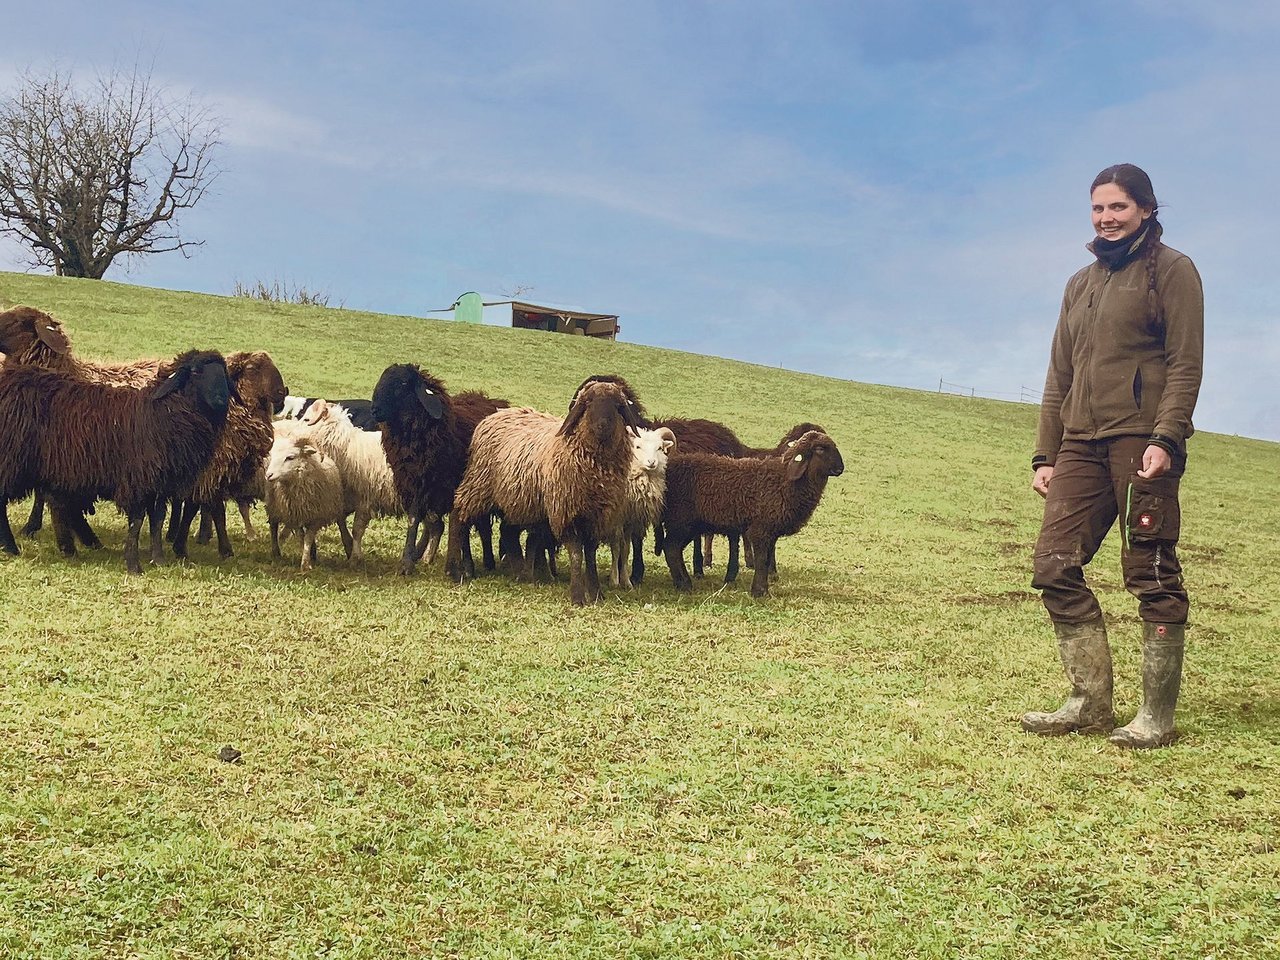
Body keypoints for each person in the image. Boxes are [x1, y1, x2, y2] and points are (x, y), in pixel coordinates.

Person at [1022, 163, 1203, 749]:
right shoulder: (1081, 282)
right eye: (1098, 208)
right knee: (1053, 564)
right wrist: (1045, 453)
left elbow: (1184, 362)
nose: (1107, 217)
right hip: (1079, 441)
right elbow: (1059, 373)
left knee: (1149, 570)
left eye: (1118, 207)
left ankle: (1156, 716)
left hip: (1141, 439)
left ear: (1146, 209)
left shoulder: (1172, 271)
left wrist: (1166, 437)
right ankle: (1090, 701)